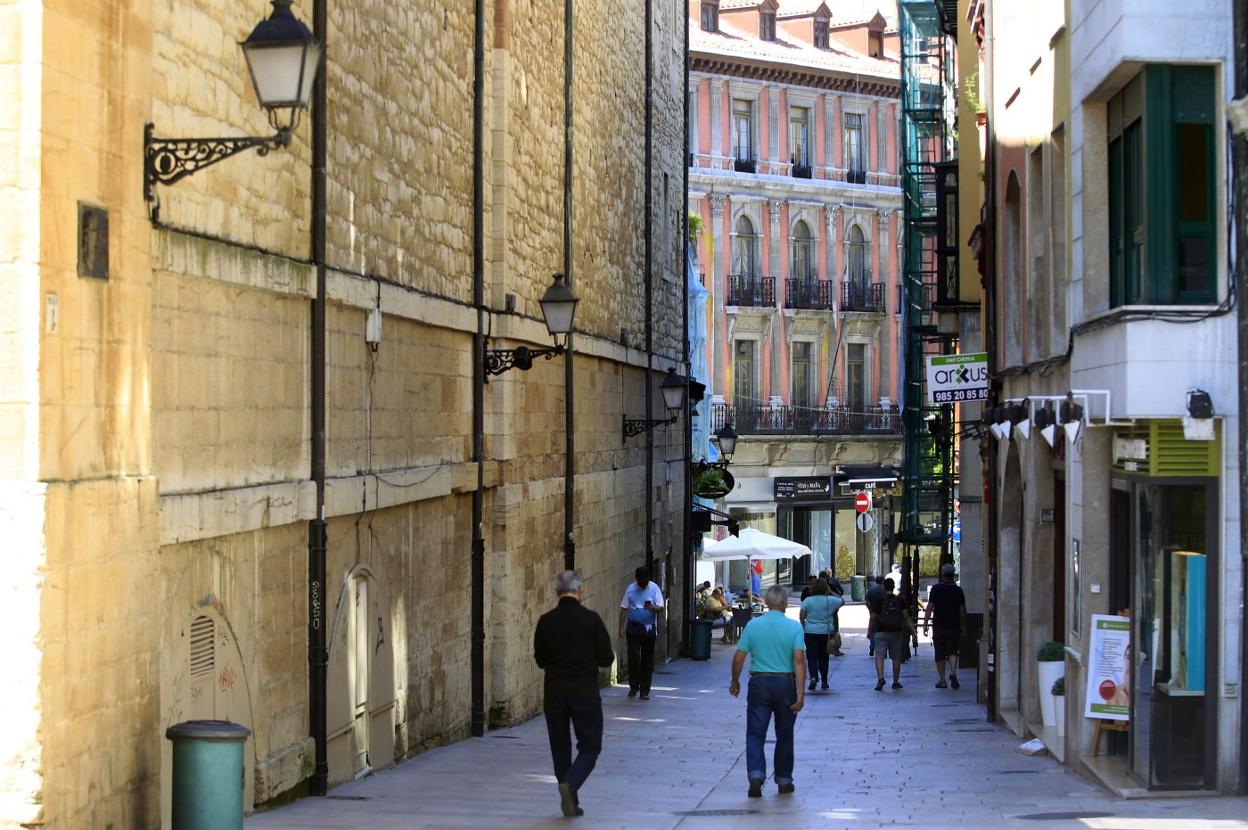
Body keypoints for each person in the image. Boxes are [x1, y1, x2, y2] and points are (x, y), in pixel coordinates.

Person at [534, 570, 615, 818]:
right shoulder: (591, 620)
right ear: (580, 591)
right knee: (590, 745)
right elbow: (606, 658)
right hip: (584, 691)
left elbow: (540, 659)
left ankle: (570, 797)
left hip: (555, 691)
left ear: (557, 592)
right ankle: (571, 784)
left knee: (560, 745)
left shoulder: (546, 621)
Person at [728, 584, 806, 798]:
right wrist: (801, 692)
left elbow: (739, 657)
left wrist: (735, 681)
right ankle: (783, 779)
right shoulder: (794, 627)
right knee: (784, 734)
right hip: (785, 683)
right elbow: (799, 659)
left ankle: (756, 775)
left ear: (766, 603)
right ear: (785, 605)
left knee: (755, 733)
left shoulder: (753, 626)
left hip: (759, 683)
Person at [618, 566, 664, 700]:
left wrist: (653, 608)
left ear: (648, 579)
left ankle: (644, 690)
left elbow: (661, 607)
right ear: (636, 579)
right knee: (633, 657)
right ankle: (634, 686)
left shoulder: (654, 588)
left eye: (645, 582)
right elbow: (624, 608)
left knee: (647, 659)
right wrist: (621, 627)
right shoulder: (631, 589)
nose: (643, 584)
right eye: (641, 582)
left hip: (649, 628)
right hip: (633, 628)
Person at [922, 563, 967, 689]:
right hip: (954, 625)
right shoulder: (958, 590)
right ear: (953, 574)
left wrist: (925, 625)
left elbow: (930, 607)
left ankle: (942, 680)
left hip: (939, 626)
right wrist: (963, 625)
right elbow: (962, 610)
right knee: (953, 651)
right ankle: (953, 672)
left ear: (942, 573)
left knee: (939, 653)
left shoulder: (936, 589)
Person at [868, 577, 917, 691]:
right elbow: (906, 616)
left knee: (879, 655)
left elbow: (873, 617)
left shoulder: (880, 600)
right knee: (896, 657)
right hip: (896, 631)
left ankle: (880, 678)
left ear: (884, 587)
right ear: (893, 586)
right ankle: (895, 682)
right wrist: (913, 631)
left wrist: (869, 631)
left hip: (881, 631)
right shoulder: (899, 600)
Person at [799, 578, 842, 690]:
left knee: (811, 656)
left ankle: (813, 676)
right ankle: (824, 680)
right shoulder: (830, 600)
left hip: (810, 631)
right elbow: (842, 600)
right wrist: (831, 591)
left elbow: (802, 616)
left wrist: (804, 625)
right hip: (826, 633)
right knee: (824, 656)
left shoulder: (807, 601)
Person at [864, 575, 886, 657]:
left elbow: (866, 601)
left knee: (873, 629)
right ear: (883, 581)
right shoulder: (884, 590)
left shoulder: (870, 590)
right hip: (883, 614)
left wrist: (870, 609)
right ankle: (880, 647)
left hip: (873, 612)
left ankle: (872, 645)